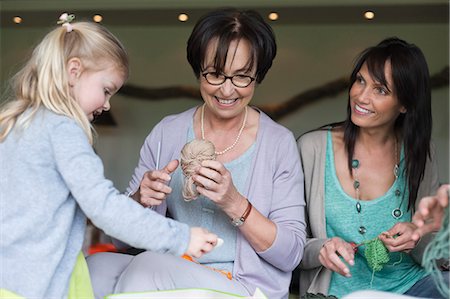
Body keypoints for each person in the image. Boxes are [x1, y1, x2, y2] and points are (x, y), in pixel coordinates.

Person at [87, 8, 306, 299]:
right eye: (215, 74)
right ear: (198, 69)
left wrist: (234, 203)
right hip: (175, 265)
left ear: (258, 75)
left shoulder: (279, 143)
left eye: (241, 77)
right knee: (96, 267)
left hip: (243, 285)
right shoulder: (168, 132)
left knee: (147, 268)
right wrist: (140, 199)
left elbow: (291, 254)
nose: (227, 90)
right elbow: (118, 238)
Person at [0, 15, 217, 299]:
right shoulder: (63, 129)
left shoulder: (18, 124)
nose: (107, 104)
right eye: (105, 90)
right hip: (32, 284)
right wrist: (181, 238)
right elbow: (105, 208)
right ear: (73, 72)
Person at [297, 37, 445, 298]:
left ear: (405, 104)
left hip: (414, 287)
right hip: (338, 293)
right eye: (360, 80)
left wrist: (417, 236)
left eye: (381, 90)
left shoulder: (419, 153)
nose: (361, 96)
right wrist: (321, 248)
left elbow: (437, 250)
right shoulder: (312, 149)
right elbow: (286, 242)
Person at [343, 183, 450, 299]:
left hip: (415, 282)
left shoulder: (419, 167)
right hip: (344, 291)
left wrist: (417, 235)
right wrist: (323, 245)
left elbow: (441, 253)